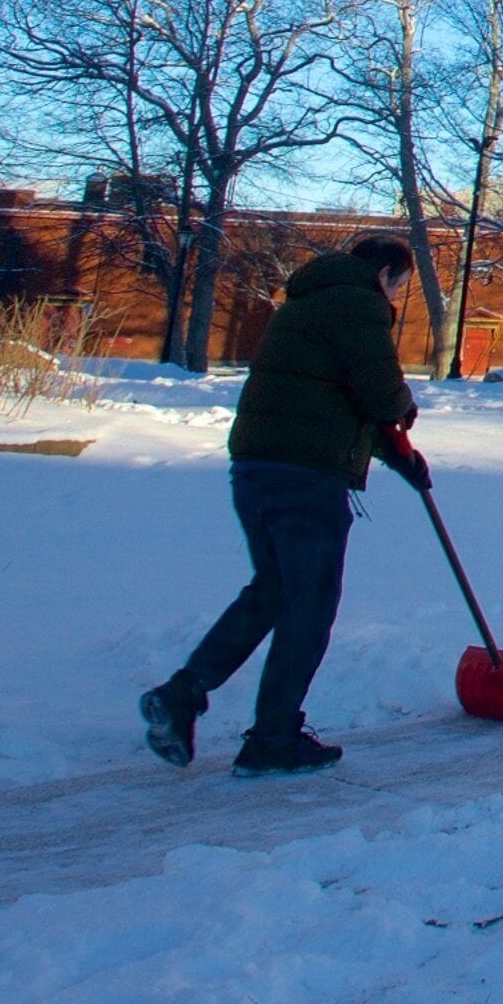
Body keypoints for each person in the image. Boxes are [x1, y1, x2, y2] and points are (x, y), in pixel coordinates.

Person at [141, 235, 432, 778]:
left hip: (256, 469)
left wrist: (398, 458)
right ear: (387, 273)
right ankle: (273, 736)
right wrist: (402, 415)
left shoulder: (306, 302)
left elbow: (325, 399)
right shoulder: (359, 305)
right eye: (400, 285)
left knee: (274, 590)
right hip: (307, 482)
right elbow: (380, 393)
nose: (397, 297)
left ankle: (184, 694)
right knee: (309, 606)